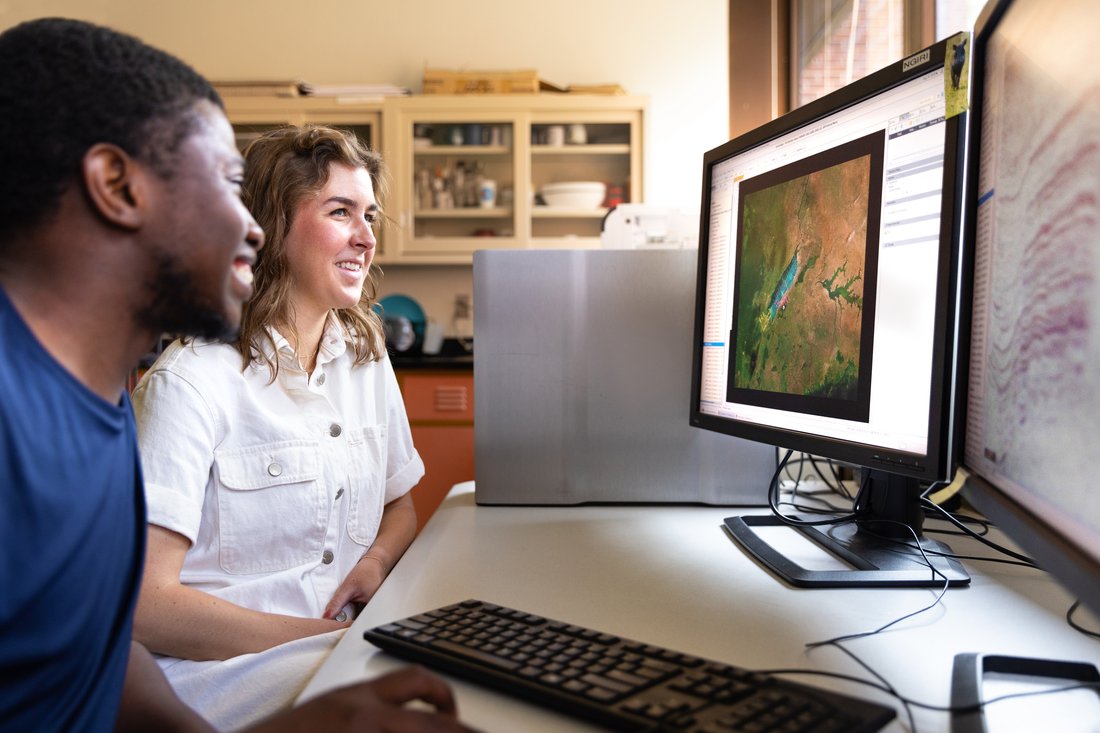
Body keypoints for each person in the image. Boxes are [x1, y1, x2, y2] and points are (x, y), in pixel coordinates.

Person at [0, 17, 470, 733]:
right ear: (116, 186)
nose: (250, 225)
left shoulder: (95, 405)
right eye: (227, 183)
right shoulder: (32, 418)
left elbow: (97, 653)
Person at [130, 124, 424, 728]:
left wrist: (373, 565)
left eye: (369, 215)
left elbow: (403, 507)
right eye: (341, 212)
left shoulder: (365, 356)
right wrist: (319, 638)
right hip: (221, 677)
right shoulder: (191, 381)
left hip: (336, 651)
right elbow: (144, 606)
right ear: (267, 228)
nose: (366, 238)